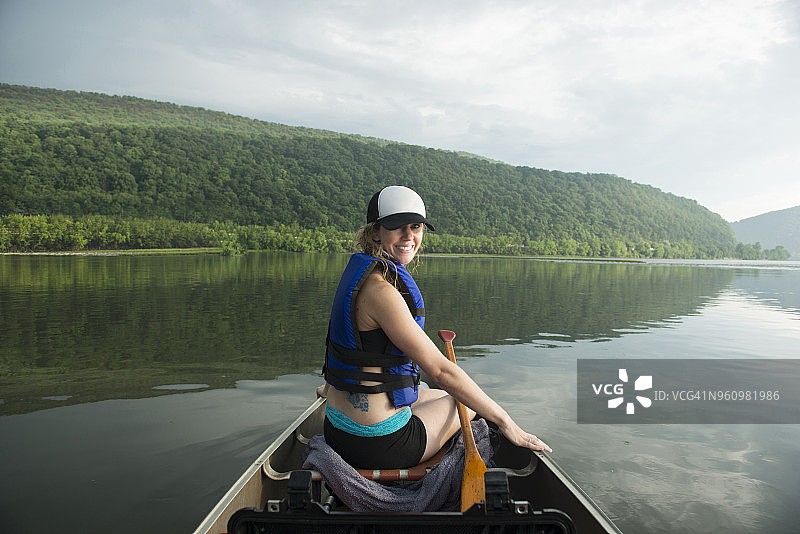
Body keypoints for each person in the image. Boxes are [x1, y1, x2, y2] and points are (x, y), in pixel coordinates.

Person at [317, 185, 551, 470]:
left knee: (439, 393)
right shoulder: (382, 292)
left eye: (415, 226)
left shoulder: (362, 275)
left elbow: (357, 351)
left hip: (337, 429)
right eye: (396, 227)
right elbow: (441, 371)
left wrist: (331, 386)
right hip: (378, 445)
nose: (409, 236)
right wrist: (507, 422)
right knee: (470, 404)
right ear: (375, 232)